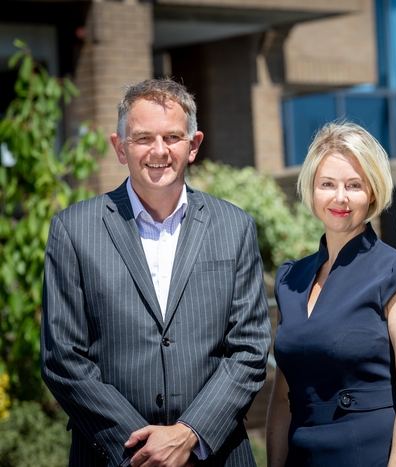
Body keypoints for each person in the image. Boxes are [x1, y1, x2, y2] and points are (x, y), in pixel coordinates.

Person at [41, 78, 271, 467]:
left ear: (193, 145)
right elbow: (62, 357)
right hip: (114, 456)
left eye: (172, 137)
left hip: (215, 455)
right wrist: (143, 451)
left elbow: (249, 349)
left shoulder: (235, 227)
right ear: (120, 147)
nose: (159, 151)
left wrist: (189, 435)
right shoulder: (73, 230)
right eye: (143, 138)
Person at [266, 121, 396, 466]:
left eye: (354, 185)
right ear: (312, 189)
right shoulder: (290, 280)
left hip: (376, 456)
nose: (340, 197)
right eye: (327, 184)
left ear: (372, 192)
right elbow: (283, 395)